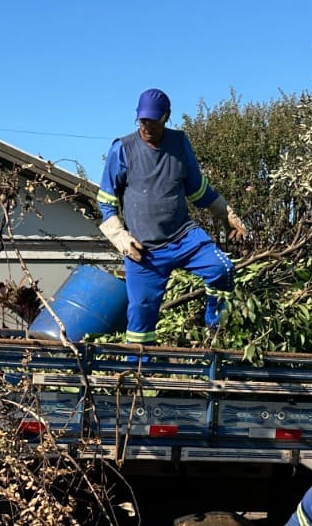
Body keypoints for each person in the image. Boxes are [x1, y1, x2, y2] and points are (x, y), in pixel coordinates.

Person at [97, 87, 249, 345]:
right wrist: (120, 237)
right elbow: (106, 201)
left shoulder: (179, 144)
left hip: (183, 237)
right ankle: (138, 373)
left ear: (166, 117)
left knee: (222, 269)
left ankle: (215, 332)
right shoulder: (122, 149)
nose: (147, 127)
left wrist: (227, 215)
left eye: (153, 122)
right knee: (140, 317)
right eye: (142, 121)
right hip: (143, 249)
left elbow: (198, 191)